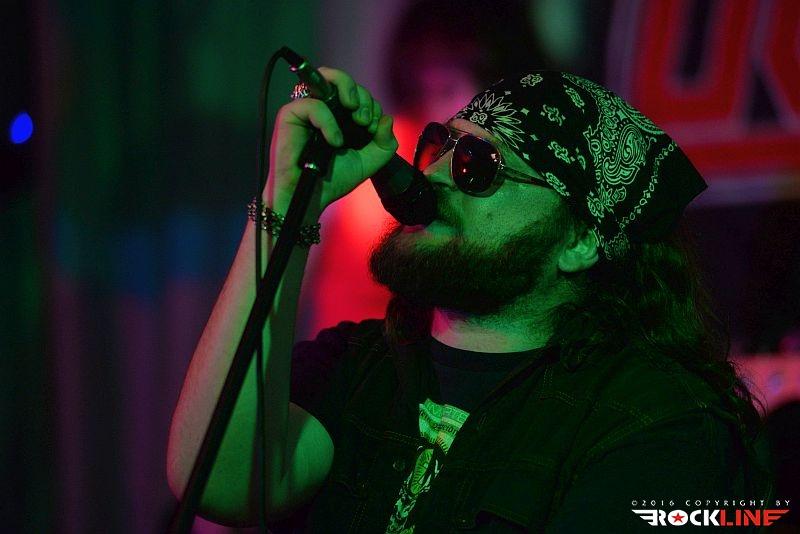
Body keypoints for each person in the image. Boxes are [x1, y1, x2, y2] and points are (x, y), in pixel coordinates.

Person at [167, 68, 771, 532]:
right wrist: (287, 201)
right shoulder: (358, 365)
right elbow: (221, 482)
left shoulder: (660, 422)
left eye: (478, 166)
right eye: (441, 147)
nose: (432, 176)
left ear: (581, 240)